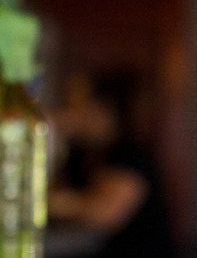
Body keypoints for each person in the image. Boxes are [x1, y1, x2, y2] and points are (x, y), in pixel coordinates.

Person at [48, 72, 175, 258]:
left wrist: (53, 203)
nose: (68, 112)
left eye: (76, 105)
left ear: (103, 109)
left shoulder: (130, 155)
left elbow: (103, 215)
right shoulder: (82, 153)